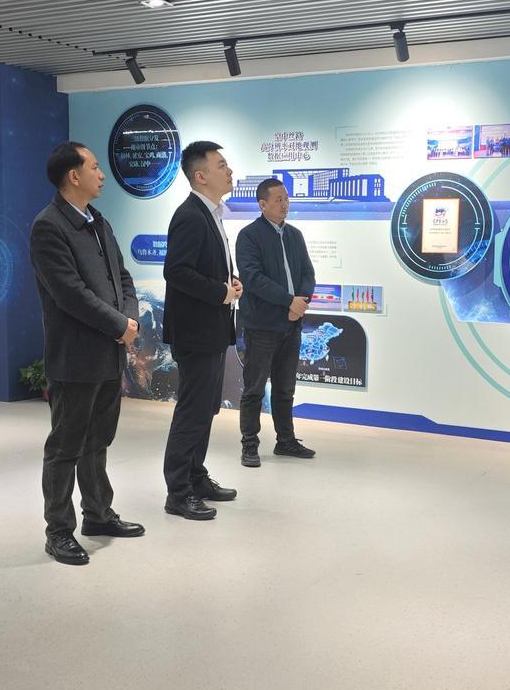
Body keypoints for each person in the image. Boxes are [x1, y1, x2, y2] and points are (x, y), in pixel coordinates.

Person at [30, 142, 144, 565]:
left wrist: (129, 319)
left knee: (98, 441)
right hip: (75, 358)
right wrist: (119, 325)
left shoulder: (98, 221)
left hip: (109, 354)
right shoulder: (49, 226)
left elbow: (123, 278)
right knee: (66, 447)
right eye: (94, 167)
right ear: (73, 176)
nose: (102, 174)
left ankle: (98, 514)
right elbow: (70, 294)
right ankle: (58, 531)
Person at [160, 141, 241, 520]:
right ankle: (178, 492)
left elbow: (204, 267)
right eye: (221, 165)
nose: (229, 170)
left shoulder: (212, 213)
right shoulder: (191, 215)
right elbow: (176, 271)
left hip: (212, 328)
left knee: (205, 409)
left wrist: (230, 282)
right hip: (195, 332)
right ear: (201, 175)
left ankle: (195, 476)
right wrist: (220, 292)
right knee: (192, 410)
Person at [235, 178, 316, 467]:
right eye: (278, 199)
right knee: (255, 388)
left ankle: (286, 441)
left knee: (285, 388)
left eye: (286, 199)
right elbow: (253, 278)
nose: (285, 204)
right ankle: (249, 445)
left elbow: (308, 273)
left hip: (292, 323)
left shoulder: (295, 235)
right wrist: (288, 301)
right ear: (262, 204)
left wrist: (300, 302)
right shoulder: (249, 236)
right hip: (262, 325)